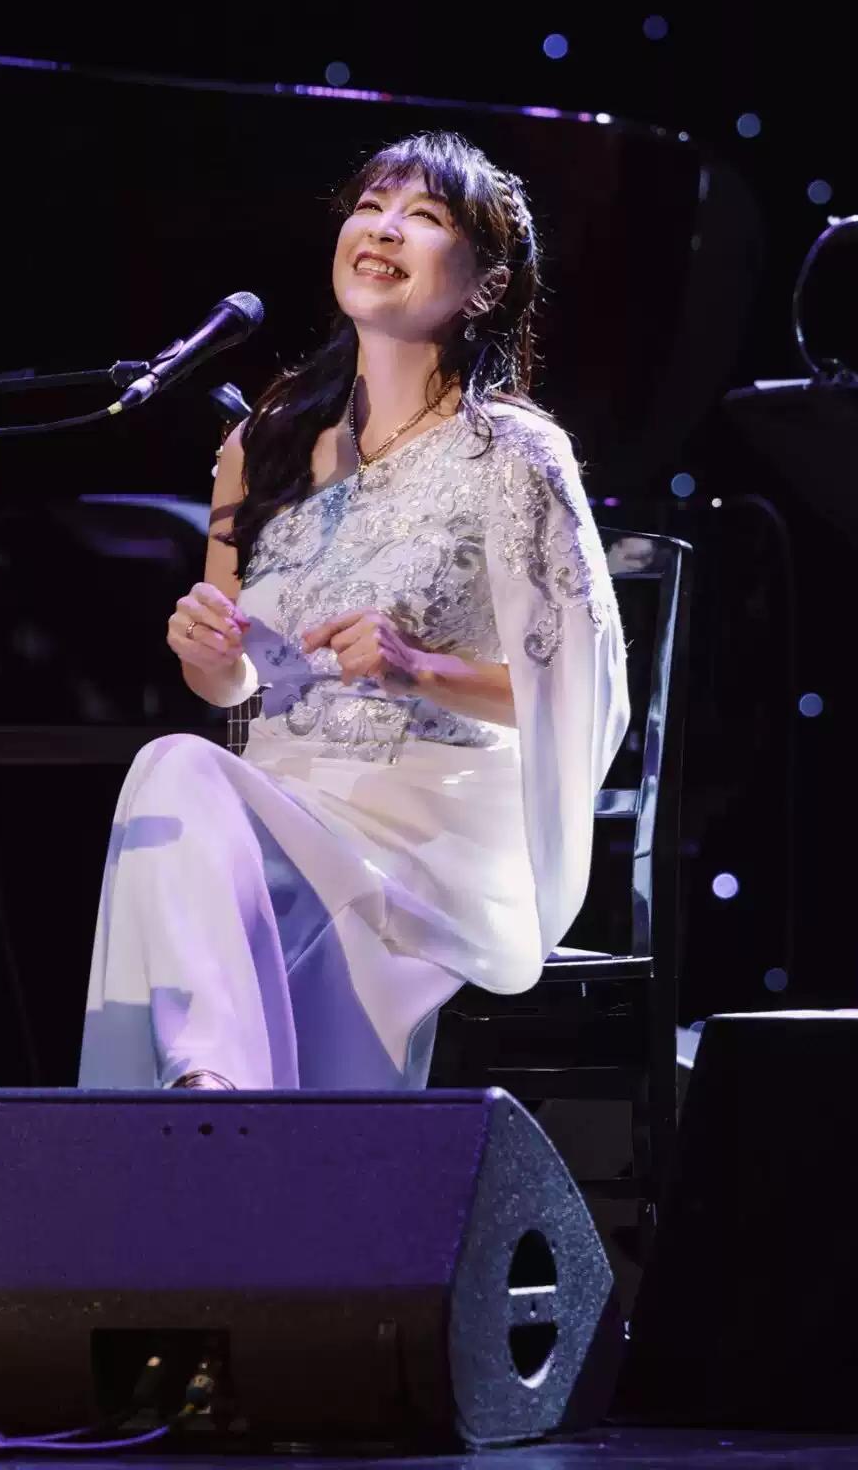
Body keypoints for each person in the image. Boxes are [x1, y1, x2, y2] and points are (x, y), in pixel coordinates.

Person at [79, 130, 630, 1092]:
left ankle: (203, 1113)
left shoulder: (512, 454)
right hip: (285, 813)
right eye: (371, 207)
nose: (383, 229)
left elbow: (587, 702)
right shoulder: (263, 443)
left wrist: (420, 669)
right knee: (177, 770)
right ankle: (213, 1095)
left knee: (180, 798)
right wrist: (209, 652)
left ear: (486, 286)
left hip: (430, 842)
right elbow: (229, 686)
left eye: (424, 216)